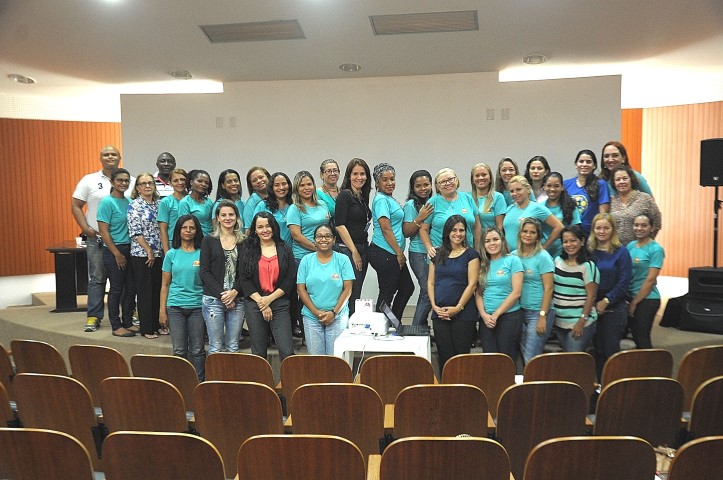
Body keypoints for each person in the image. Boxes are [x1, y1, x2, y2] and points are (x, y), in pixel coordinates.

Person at [71, 145, 128, 332]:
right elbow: (76, 205)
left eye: (114, 154)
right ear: (100, 158)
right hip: (97, 238)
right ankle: (94, 316)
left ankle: (126, 316)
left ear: (119, 157)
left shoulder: (130, 180)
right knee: (97, 277)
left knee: (123, 280)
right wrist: (84, 228)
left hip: (122, 240)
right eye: (106, 154)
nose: (110, 156)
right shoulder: (89, 180)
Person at [239, 212, 296, 361]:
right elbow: (244, 280)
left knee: (287, 350)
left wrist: (269, 300)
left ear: (274, 227)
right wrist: (262, 303)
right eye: (260, 227)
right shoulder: (247, 248)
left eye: (268, 226)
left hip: (279, 302)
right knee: (258, 352)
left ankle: (288, 384)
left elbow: (289, 279)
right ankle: (261, 384)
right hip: (254, 304)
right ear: (255, 230)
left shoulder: (284, 249)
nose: (265, 230)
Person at [428, 216, 480, 370]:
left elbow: (472, 284)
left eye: (461, 230)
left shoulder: (471, 254)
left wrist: (457, 308)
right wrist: (434, 306)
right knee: (444, 357)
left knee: (460, 359)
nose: (458, 234)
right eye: (454, 230)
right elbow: (430, 282)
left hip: (464, 314)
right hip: (440, 313)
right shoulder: (437, 253)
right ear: (447, 232)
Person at [159, 214, 206, 381]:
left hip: (197, 307)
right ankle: (180, 384)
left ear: (196, 230)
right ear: (178, 231)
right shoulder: (171, 254)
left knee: (197, 350)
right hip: (175, 308)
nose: (188, 231)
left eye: (191, 228)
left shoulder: (202, 254)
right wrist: (162, 311)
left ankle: (199, 383)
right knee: (179, 350)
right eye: (184, 228)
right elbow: (165, 285)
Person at [297, 224, 355, 354]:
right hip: (311, 316)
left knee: (336, 359)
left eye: (328, 236)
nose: (323, 239)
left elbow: (348, 290)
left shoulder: (343, 260)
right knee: (316, 361)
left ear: (334, 239)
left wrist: (333, 313)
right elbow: (301, 290)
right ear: (314, 240)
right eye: (319, 236)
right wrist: (316, 312)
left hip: (337, 316)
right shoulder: (306, 260)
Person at [287, 170, 331, 337]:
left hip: (324, 256)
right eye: (302, 185)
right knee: (304, 296)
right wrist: (318, 247)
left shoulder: (322, 204)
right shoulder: (295, 208)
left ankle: (323, 324)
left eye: (309, 184)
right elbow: (296, 235)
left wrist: (324, 249)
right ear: (297, 189)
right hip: (302, 258)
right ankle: (306, 333)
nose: (306, 188)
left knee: (320, 292)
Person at [368, 163, 415, 319]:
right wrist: (399, 253)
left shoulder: (389, 198)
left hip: (391, 251)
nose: (390, 183)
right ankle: (380, 326)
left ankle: (394, 321)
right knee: (387, 292)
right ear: (377, 182)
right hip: (384, 251)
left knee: (407, 287)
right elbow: (385, 229)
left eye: (392, 179)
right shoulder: (381, 200)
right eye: (385, 180)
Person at [589, 213, 632, 378]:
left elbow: (624, 281)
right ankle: (600, 386)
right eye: (598, 228)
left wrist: (606, 301)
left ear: (613, 230)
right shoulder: (590, 251)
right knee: (597, 349)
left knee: (610, 349)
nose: (602, 231)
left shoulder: (622, 252)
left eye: (606, 228)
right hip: (592, 305)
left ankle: (615, 386)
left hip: (614, 306)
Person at [200, 199, 245, 353]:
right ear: (217, 218)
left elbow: (246, 272)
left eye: (231, 215)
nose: (228, 218)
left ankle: (232, 378)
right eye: (223, 215)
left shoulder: (244, 241)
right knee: (215, 347)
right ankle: (214, 378)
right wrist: (223, 296)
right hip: (213, 299)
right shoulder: (208, 240)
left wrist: (234, 293)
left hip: (237, 299)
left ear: (237, 217)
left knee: (233, 346)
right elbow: (204, 272)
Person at [96, 168, 136, 337]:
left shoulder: (129, 201)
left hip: (130, 248)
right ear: (112, 182)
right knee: (116, 289)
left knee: (130, 289)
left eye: (126, 180)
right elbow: (104, 232)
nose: (123, 183)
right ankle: (116, 325)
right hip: (114, 250)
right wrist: (117, 254)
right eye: (120, 180)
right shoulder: (107, 202)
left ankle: (128, 322)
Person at [475, 227, 524, 360]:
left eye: (495, 239)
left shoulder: (513, 260)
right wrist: (484, 315)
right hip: (487, 319)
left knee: (506, 359)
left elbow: (516, 292)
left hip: (509, 317)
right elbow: (478, 293)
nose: (492, 243)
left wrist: (496, 315)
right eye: (487, 241)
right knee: (490, 360)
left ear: (502, 241)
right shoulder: (482, 264)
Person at [512, 218, 555, 364]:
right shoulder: (513, 256)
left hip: (538, 312)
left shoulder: (543, 257)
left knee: (531, 357)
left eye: (532, 232)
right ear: (519, 233)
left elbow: (549, 288)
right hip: (519, 311)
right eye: (525, 231)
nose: (528, 235)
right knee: (525, 354)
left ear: (538, 235)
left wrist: (543, 316)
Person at [128, 172, 164, 339]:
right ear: (138, 187)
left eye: (150, 183)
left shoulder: (159, 204)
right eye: (143, 183)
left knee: (157, 290)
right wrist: (148, 250)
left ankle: (157, 324)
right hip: (142, 255)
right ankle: (147, 328)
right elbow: (135, 232)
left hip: (159, 254)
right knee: (145, 292)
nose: (147, 186)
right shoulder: (134, 205)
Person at [335, 158, 373, 316]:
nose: (359, 177)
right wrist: (354, 252)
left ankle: (353, 324)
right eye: (355, 174)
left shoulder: (362, 197)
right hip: (348, 250)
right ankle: (345, 329)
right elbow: (340, 225)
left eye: (362, 174)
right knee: (350, 291)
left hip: (362, 247)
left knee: (357, 291)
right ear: (348, 176)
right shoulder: (345, 195)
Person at [552, 226, 599, 352]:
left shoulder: (588, 266)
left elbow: (592, 296)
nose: (569, 244)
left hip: (580, 323)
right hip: (559, 322)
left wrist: (581, 322)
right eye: (565, 241)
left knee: (573, 362)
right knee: (567, 359)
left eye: (573, 240)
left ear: (582, 241)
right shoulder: (557, 261)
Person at [420, 168, 481, 255]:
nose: (448, 183)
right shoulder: (432, 202)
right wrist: (429, 248)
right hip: (441, 254)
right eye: (443, 182)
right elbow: (423, 229)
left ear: (456, 180)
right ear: (437, 186)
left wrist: (477, 249)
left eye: (450, 179)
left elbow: (477, 226)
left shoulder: (468, 198)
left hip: (467, 252)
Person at [627, 213, 665, 349]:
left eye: (644, 225)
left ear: (652, 228)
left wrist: (634, 303)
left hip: (647, 299)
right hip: (630, 296)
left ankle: (653, 368)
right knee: (634, 337)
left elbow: (650, 280)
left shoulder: (656, 249)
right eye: (636, 225)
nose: (639, 228)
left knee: (642, 337)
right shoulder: (631, 246)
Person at [403, 170, 434, 326]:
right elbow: (407, 232)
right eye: (418, 186)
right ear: (413, 188)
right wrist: (419, 218)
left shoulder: (436, 201)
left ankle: (421, 328)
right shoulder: (410, 205)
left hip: (435, 254)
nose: (423, 189)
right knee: (428, 292)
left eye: (426, 185)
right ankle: (415, 330)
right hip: (419, 253)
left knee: (431, 292)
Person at [503, 175, 563, 251]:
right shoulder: (510, 208)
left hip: (528, 256)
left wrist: (543, 248)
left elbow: (559, 227)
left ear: (528, 190)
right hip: (510, 256)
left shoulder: (537, 208)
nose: (515, 193)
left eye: (518, 189)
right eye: (512, 191)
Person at [609, 165, 662, 245]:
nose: (621, 182)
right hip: (617, 250)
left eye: (625, 178)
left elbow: (657, 221)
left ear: (631, 179)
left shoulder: (644, 198)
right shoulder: (610, 201)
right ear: (614, 182)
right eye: (618, 179)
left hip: (639, 250)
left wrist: (647, 242)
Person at [564, 149, 610, 236]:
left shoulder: (601, 184)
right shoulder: (566, 184)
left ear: (594, 166)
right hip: (570, 234)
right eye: (581, 161)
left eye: (588, 162)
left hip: (591, 234)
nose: (584, 164)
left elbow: (603, 214)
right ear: (576, 165)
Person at [541, 171, 581, 258]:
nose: (552, 189)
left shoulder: (571, 206)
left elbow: (576, 231)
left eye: (556, 186)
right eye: (549, 185)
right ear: (544, 186)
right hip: (542, 253)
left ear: (562, 187)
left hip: (564, 253)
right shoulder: (539, 207)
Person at [253, 171, 293, 244]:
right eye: (277, 185)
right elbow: (254, 230)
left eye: (284, 184)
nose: (281, 187)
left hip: (289, 251)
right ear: (272, 188)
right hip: (268, 250)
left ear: (289, 185)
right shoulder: (262, 205)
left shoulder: (294, 206)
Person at [158, 168, 188, 253]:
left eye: (182, 180)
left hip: (191, 243)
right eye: (176, 180)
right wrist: (167, 252)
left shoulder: (191, 200)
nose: (180, 183)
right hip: (173, 243)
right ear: (170, 183)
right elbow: (163, 229)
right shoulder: (166, 202)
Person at [178, 169, 214, 235]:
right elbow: (185, 226)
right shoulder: (185, 203)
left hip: (210, 240)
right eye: (200, 181)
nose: (203, 184)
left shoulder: (209, 202)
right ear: (191, 182)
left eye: (206, 183)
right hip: (194, 240)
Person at [471, 163, 505, 230]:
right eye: (477, 175)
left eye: (484, 175)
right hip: (471, 240)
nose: (480, 178)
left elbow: (500, 227)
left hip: (490, 239)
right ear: (473, 180)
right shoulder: (468, 198)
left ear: (490, 178)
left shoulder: (498, 197)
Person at [242, 166, 271, 234]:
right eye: (254, 180)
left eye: (261, 177)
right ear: (251, 185)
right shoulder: (251, 203)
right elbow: (248, 231)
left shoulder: (277, 197)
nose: (259, 181)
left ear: (268, 177)